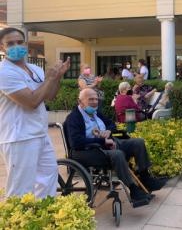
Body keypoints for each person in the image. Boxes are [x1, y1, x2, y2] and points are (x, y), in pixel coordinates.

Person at [65, 88, 167, 207]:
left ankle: (145, 177)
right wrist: (102, 141)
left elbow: (111, 123)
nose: (94, 102)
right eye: (90, 99)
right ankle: (133, 190)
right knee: (117, 154)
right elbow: (76, 142)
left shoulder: (95, 112)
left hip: (107, 143)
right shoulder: (74, 118)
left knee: (138, 143)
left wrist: (108, 131)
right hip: (87, 151)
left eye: (96, 99)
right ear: (80, 101)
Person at [0, 27, 70, 198]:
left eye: (20, 42)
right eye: (10, 43)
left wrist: (57, 77)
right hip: (19, 137)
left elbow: (50, 95)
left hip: (40, 133)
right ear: (2, 48)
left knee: (49, 177)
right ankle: (17, 223)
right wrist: (51, 78)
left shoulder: (35, 69)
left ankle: (43, 218)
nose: (16, 46)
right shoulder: (4, 72)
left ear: (26, 43)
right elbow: (32, 102)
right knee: (21, 188)